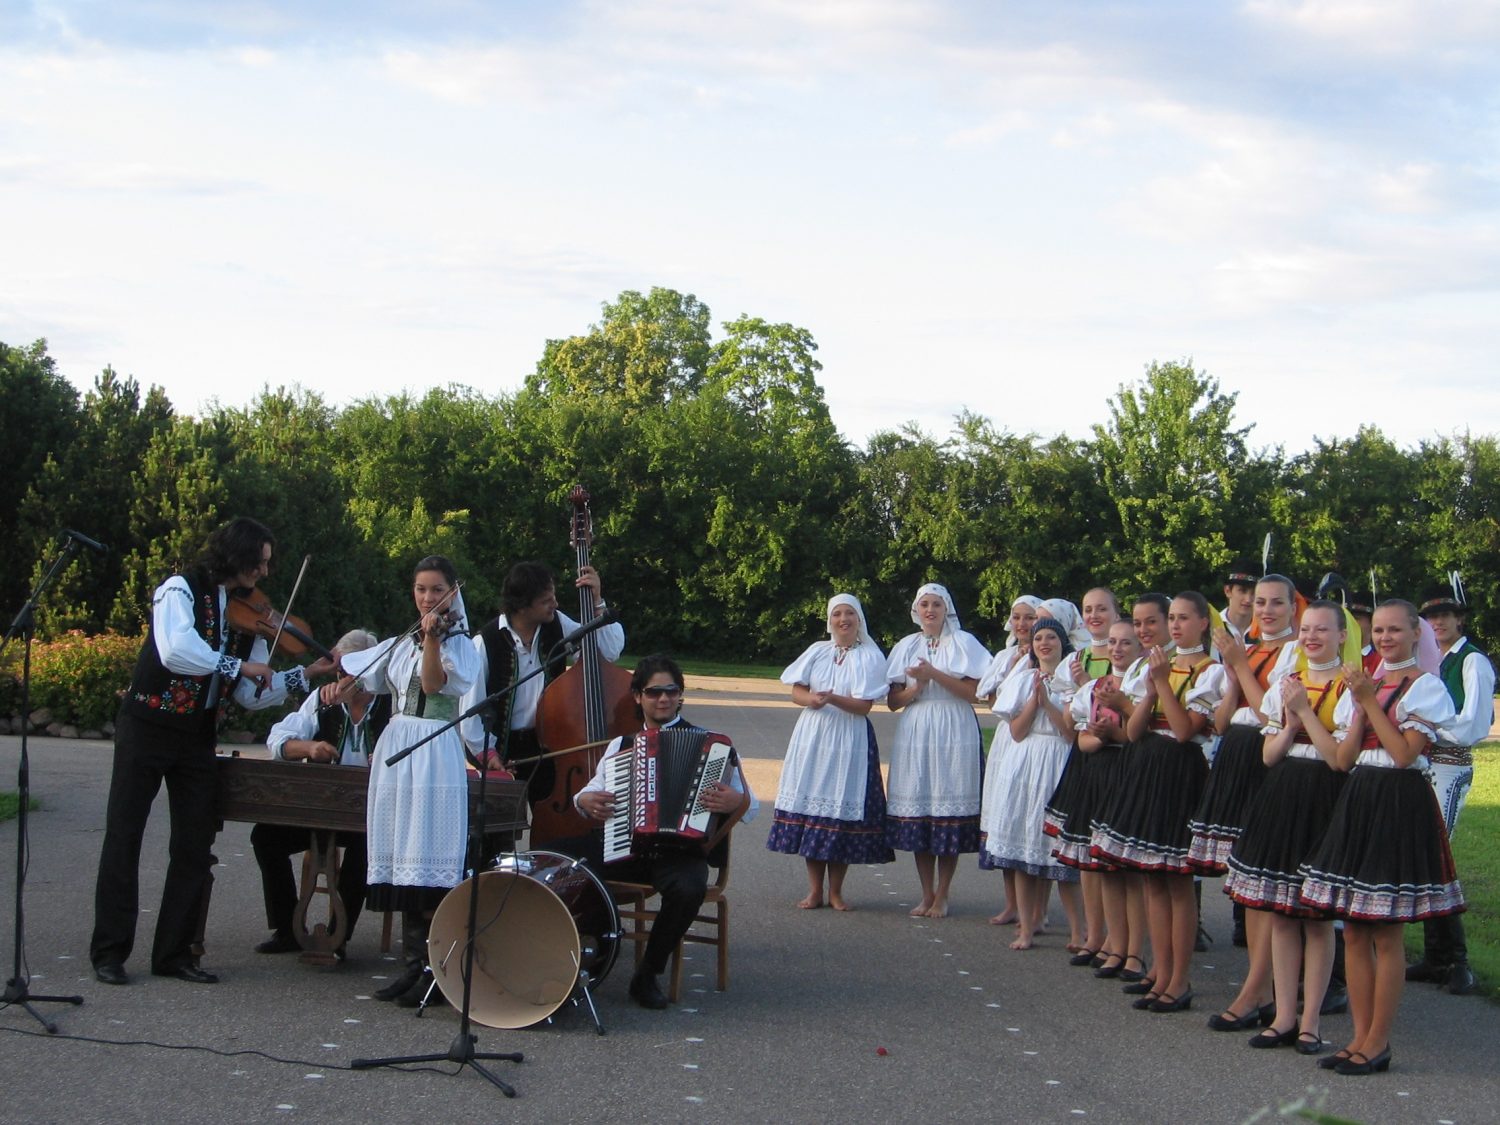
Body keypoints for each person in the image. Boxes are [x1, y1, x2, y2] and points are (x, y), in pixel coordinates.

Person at [90, 517, 325, 986]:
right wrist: (236, 663)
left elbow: (248, 694)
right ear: (235, 555)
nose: (263, 573)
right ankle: (110, 951)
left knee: (194, 845)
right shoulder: (178, 589)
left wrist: (306, 675)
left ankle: (173, 954)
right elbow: (177, 649)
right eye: (259, 562)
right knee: (124, 836)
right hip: (147, 725)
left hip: (196, 735)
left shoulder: (248, 622)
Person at [1298, 599, 1464, 1076]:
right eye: (1381, 631)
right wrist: (1347, 711)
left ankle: (1378, 1041)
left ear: (1417, 635)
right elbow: (1345, 758)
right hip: (1361, 796)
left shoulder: (1426, 688)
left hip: (1398, 799)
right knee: (1353, 927)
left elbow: (1405, 754)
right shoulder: (1366, 685)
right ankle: (1357, 1038)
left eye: (1396, 631)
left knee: (1386, 932)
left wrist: (1369, 700)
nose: (1386, 638)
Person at [572, 655, 757, 1009]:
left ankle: (647, 975)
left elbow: (752, 806)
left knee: (689, 888)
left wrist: (736, 800)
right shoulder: (621, 746)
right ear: (638, 697)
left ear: (680, 696)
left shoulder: (713, 746)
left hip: (679, 853)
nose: (663, 699)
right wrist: (585, 800)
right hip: (626, 848)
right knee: (565, 863)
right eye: (654, 692)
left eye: (671, 691)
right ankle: (586, 959)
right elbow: (587, 792)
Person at [341, 555, 479, 1007]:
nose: (427, 597)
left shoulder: (460, 646)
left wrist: (434, 642)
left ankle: (437, 972)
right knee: (403, 854)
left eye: (436, 589)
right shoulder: (404, 642)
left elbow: (435, 686)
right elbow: (374, 679)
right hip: (397, 749)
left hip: (434, 751)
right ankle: (411, 966)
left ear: (452, 591)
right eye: (421, 589)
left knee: (427, 856)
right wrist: (340, 679)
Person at [1224, 600, 1351, 1053]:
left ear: (1341, 636)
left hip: (1323, 797)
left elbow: (1339, 760)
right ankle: (1282, 1015)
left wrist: (1305, 716)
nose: (1313, 637)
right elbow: (1268, 755)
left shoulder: (1349, 686)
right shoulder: (1287, 684)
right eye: (1308, 629)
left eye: (1323, 630)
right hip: (1282, 794)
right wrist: (1290, 722)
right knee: (1279, 912)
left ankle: (1311, 1020)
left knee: (1315, 919)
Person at [1094, 592, 1227, 1014]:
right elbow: (1133, 732)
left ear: (1203, 624)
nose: (1175, 626)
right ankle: (1160, 971)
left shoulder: (1210, 672)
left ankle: (1179, 979)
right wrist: (1150, 692)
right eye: (1173, 618)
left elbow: (1187, 729)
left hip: (1180, 770)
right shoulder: (1157, 667)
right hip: (1147, 765)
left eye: (1184, 619)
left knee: (1177, 881)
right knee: (1151, 877)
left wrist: (1162, 683)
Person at [1193, 574, 1299, 1017]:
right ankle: (1261, 986)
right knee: (1247, 885)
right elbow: (1221, 722)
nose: (1267, 610)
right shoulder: (1250, 649)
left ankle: (1262, 988)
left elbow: (1266, 713)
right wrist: (1236, 668)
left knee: (1264, 882)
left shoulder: (1293, 652)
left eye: (1277, 603)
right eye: (1260, 602)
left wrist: (1237, 665)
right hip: (1237, 754)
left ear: (1294, 608)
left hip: (1266, 759)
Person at [250, 629, 390, 959]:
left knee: (365, 849)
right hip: (323, 808)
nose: (344, 679)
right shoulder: (322, 701)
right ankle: (286, 929)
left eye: (353, 672)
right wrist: (309, 747)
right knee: (266, 838)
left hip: (369, 814)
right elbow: (278, 739)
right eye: (340, 671)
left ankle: (337, 937)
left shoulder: (393, 704)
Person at [766, 594, 894, 910]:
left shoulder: (870, 656)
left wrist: (833, 698)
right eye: (837, 614)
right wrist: (809, 699)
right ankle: (814, 891)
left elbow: (864, 706)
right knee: (814, 809)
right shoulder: (818, 651)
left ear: (859, 619)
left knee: (840, 812)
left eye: (849, 613)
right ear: (830, 619)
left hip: (849, 737)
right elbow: (796, 689)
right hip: (814, 735)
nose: (843, 619)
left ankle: (836, 891)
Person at [461, 561, 624, 806]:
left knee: (552, 823)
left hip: (550, 746)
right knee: (499, 832)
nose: (555, 604)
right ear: (522, 606)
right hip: (503, 750)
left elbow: (608, 652)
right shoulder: (486, 642)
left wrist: (597, 602)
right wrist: (489, 755)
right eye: (546, 601)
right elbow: (470, 709)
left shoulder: (557, 624)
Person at [885, 583, 991, 919]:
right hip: (917, 727)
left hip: (953, 725)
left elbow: (973, 693)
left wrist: (934, 675)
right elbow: (892, 702)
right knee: (921, 808)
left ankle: (943, 893)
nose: (930, 610)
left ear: (947, 609)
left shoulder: (964, 642)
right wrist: (917, 687)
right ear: (917, 610)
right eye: (924, 604)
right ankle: (926, 892)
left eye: (936, 604)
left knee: (948, 808)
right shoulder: (906, 645)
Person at [1410, 580, 1493, 995]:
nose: (1438, 622)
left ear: (1460, 619)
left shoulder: (1472, 662)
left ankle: (1458, 962)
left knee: (1437, 853)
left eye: (1445, 615)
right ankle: (1436, 957)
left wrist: (1429, 727)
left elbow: (1473, 725)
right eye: (1431, 617)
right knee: (1426, 854)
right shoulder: (1429, 660)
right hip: (1423, 764)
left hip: (1450, 765)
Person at [980, 617, 1084, 951]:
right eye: (1039, 638)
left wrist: (1049, 703)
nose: (1044, 643)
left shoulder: (1072, 680)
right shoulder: (1022, 678)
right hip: (1026, 761)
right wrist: (1033, 700)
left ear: (1061, 642)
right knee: (1026, 842)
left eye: (1051, 637)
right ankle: (1026, 926)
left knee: (1061, 855)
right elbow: (1017, 730)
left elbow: (1070, 733)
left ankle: (1078, 932)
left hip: (1059, 758)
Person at [1052, 616, 1142, 977]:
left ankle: (1129, 949)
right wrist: (1098, 736)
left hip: (1127, 771)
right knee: (1092, 861)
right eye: (1113, 643)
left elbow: (1138, 736)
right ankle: (1100, 938)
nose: (1117, 649)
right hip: (1096, 770)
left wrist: (1112, 732)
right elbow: (1081, 737)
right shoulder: (1095, 687)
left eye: (1126, 643)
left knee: (1124, 869)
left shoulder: (1138, 686)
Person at [975, 593, 1043, 926]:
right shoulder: (1005, 655)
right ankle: (1012, 903)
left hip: (1036, 739)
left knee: (1032, 822)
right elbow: (989, 697)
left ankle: (1038, 910)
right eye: (1016, 617)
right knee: (1005, 818)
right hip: (1008, 737)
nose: (1021, 624)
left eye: (1029, 617)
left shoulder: (1045, 654)